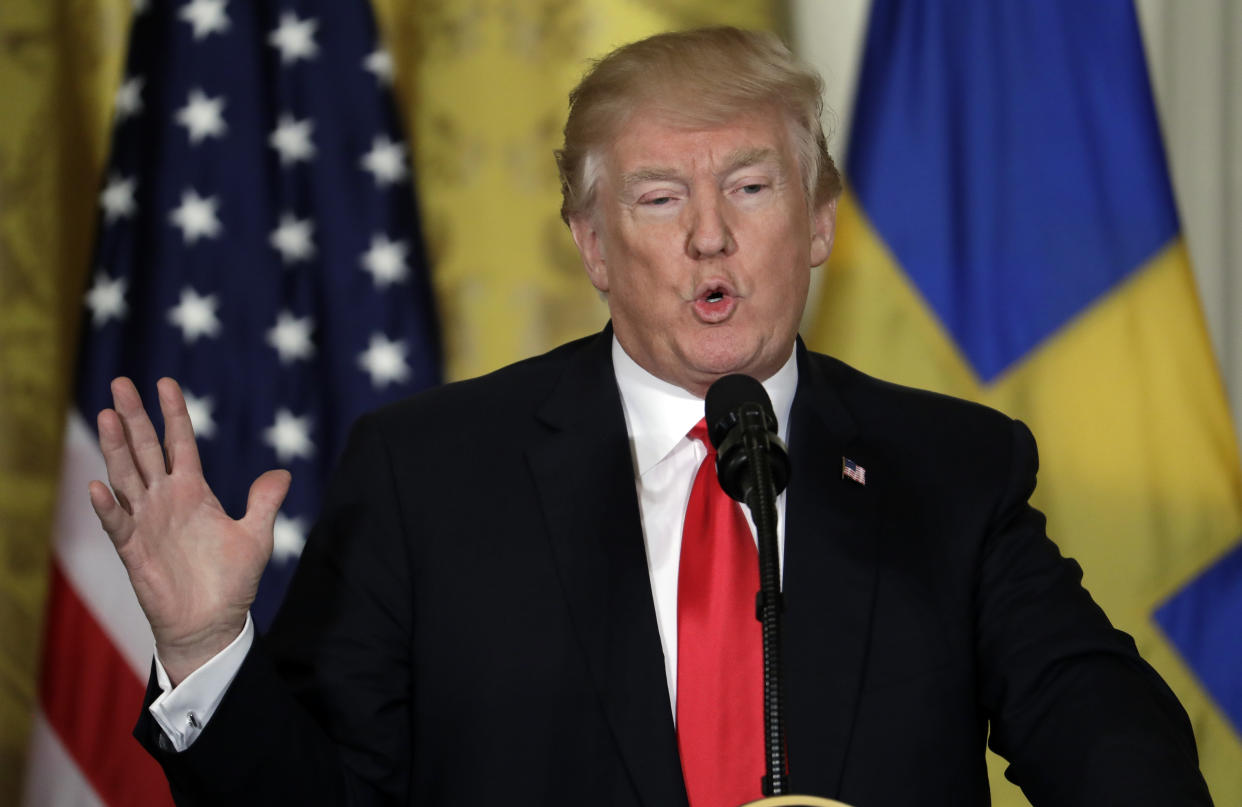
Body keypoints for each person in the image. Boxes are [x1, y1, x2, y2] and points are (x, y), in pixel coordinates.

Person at [90, 27, 1211, 807]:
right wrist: (203, 647)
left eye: (753, 186)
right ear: (591, 244)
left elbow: (1104, 734)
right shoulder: (428, 477)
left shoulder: (950, 470)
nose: (710, 237)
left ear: (818, 222)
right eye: (660, 199)